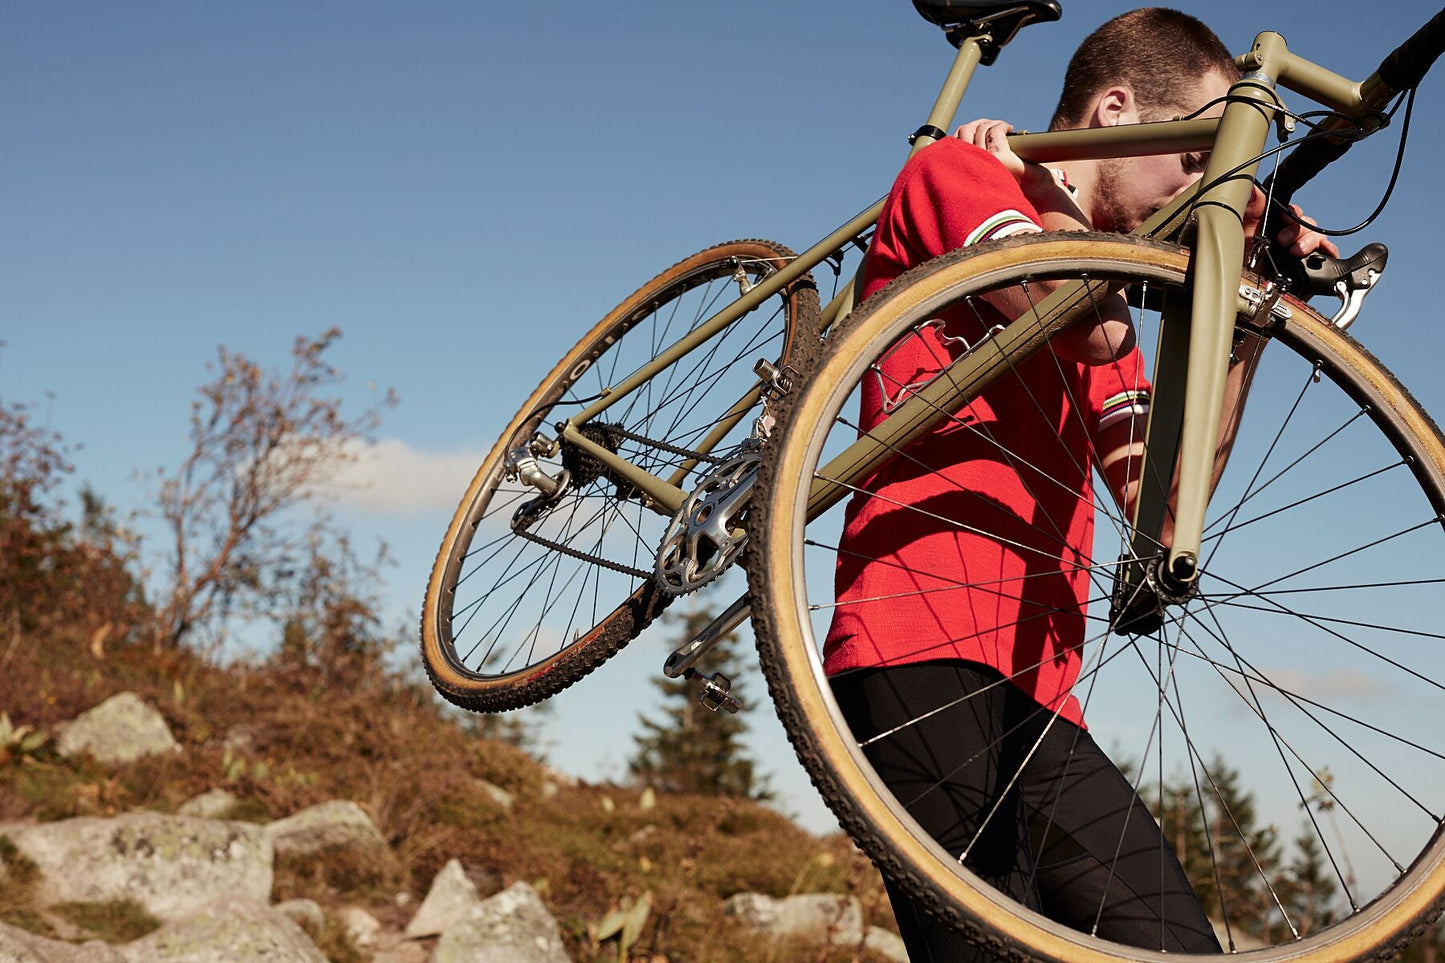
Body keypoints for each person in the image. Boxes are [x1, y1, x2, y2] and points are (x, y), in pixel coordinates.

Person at [824, 8, 1338, 960]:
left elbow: (1167, 502)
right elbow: (1069, 310)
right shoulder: (965, 174)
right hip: (911, 647)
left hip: (1041, 693)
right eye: (1194, 161)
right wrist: (1064, 214)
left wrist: (1255, 316)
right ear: (1113, 115)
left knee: (1177, 944)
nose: (1200, 193)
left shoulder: (1100, 294)